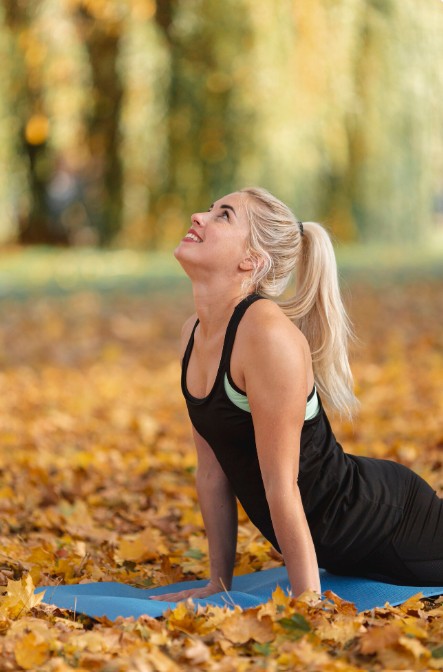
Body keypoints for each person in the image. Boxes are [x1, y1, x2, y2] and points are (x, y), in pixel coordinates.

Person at [152, 187, 443, 602]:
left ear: (251, 260)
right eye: (212, 209)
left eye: (223, 215)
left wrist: (308, 607)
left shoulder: (267, 336)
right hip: (340, 550)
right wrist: (217, 584)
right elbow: (213, 472)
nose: (199, 215)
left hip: (388, 521)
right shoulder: (193, 334)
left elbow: (282, 486)